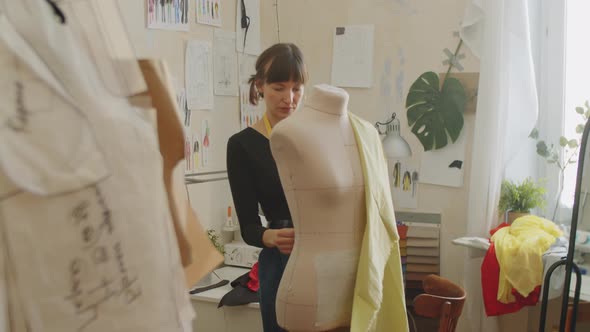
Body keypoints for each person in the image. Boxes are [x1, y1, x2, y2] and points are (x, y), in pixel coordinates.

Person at [226, 43, 307, 332]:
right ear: (260, 86)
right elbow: (248, 227)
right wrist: (270, 235)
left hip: (323, 258)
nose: (290, 98)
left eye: (297, 88)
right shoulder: (242, 145)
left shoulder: (316, 137)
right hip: (281, 263)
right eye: (279, 88)